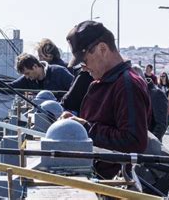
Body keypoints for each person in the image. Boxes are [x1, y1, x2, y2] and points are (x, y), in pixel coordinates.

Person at [59, 20, 151, 178]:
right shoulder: (104, 81)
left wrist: (86, 129)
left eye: (85, 61)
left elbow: (134, 141)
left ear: (102, 49)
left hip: (113, 185)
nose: (84, 68)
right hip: (98, 177)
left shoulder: (127, 84)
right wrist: (78, 123)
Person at [0, 53, 73, 99]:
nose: (27, 77)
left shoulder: (58, 72)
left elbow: (76, 89)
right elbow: (12, 88)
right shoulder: (27, 80)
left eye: (27, 73)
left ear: (35, 66)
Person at [132, 64, 168, 142]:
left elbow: (161, 125)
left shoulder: (157, 94)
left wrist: (150, 143)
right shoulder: (136, 91)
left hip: (148, 146)